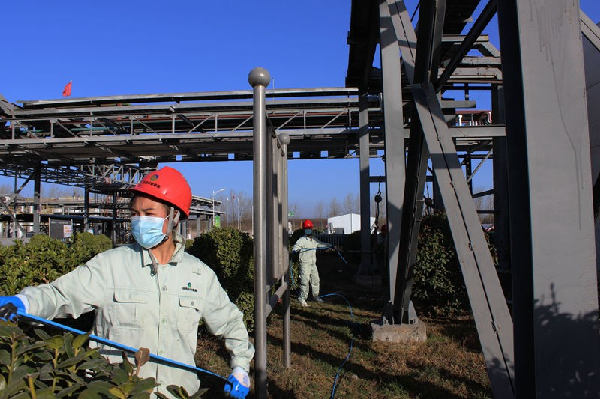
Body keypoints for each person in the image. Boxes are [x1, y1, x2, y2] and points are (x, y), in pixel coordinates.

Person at [0, 166, 254, 399]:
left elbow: (230, 322)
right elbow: (59, 295)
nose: (139, 220)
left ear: (174, 216)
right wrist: (25, 302)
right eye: (135, 213)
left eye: (148, 213)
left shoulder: (199, 275)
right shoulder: (110, 265)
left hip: (177, 393)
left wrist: (241, 367)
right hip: (117, 391)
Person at [292, 219, 333, 307]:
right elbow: (296, 247)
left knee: (316, 280)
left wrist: (329, 245)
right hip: (305, 264)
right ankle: (302, 299)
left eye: (310, 228)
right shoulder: (302, 240)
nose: (309, 230)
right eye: (307, 228)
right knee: (305, 281)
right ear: (304, 229)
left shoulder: (314, 240)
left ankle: (316, 296)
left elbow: (320, 244)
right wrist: (295, 250)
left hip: (313, 264)